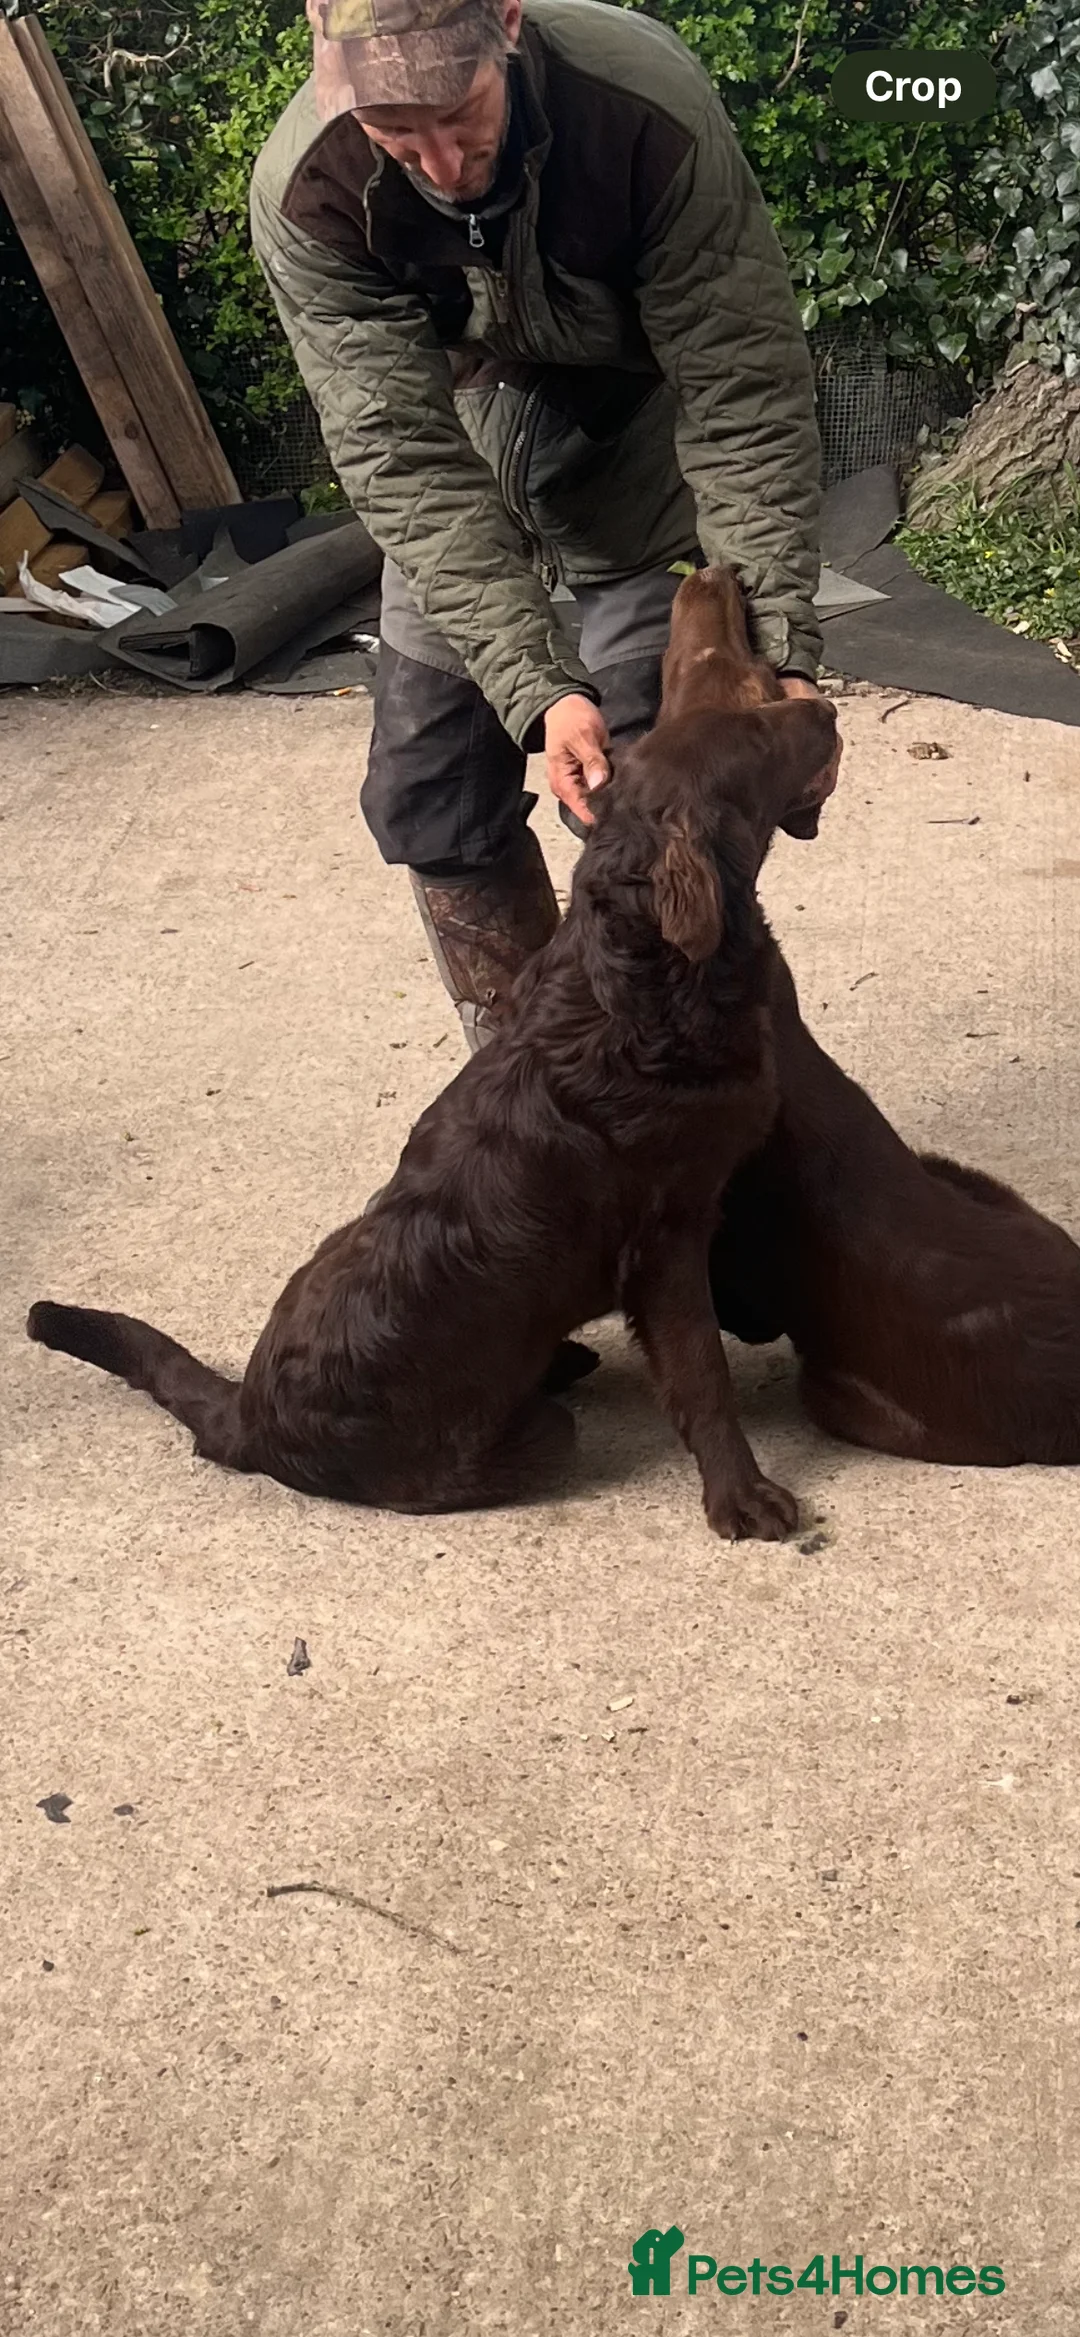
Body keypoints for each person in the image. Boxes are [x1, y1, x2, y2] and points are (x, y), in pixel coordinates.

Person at [252, 0, 836, 1048]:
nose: (441, 162)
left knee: (651, 793)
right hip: (458, 460)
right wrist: (535, 690)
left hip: (638, 448)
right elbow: (400, 454)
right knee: (429, 796)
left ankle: (678, 1078)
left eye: (459, 110)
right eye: (397, 130)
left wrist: (777, 650)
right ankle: (530, 1068)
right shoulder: (310, 187)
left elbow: (742, 394)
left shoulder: (643, 111)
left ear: (508, 23)